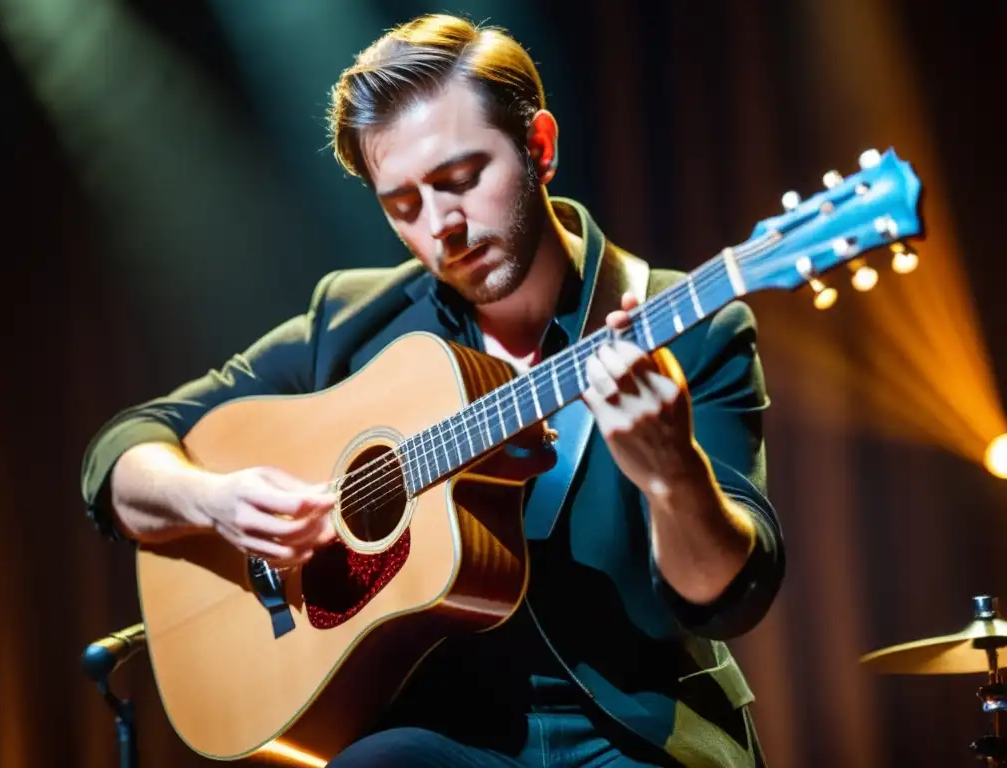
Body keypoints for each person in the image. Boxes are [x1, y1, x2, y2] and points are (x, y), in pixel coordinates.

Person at [80, 13, 784, 767]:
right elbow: (122, 453)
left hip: (638, 725)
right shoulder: (352, 320)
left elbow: (729, 595)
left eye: (460, 180)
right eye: (402, 204)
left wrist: (673, 473)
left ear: (539, 147)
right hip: (436, 727)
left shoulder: (688, 326)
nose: (441, 226)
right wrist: (212, 500)